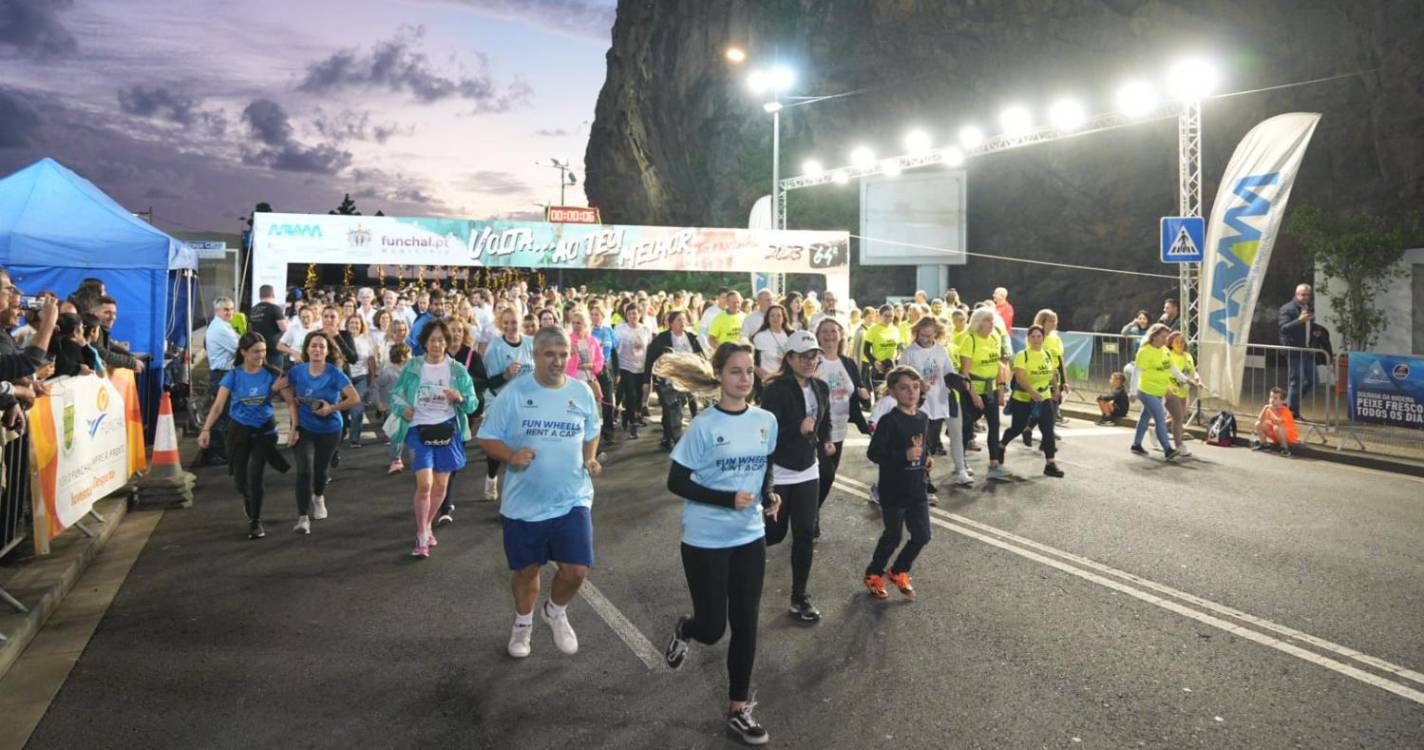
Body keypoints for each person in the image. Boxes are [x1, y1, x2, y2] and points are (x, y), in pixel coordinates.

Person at [656, 343, 780, 746]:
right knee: (712, 629)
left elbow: (765, 467)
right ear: (719, 376)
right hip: (705, 538)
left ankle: (738, 709)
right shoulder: (704, 426)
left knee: (746, 622)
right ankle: (686, 628)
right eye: (735, 371)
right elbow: (676, 481)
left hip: (750, 536)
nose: (744, 378)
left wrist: (769, 493)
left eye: (749, 371)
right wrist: (726, 499)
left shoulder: (765, 421)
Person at [478, 326, 603, 659]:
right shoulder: (515, 393)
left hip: (573, 497)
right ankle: (523, 624)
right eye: (549, 354)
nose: (557, 361)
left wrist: (590, 458)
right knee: (527, 570)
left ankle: (555, 611)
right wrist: (511, 456)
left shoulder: (581, 391)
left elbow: (592, 430)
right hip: (525, 503)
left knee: (577, 570)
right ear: (534, 355)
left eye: (563, 354)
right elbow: (487, 436)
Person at [387, 319, 480, 557]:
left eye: (440, 340)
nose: (436, 345)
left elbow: (472, 404)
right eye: (432, 340)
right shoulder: (412, 366)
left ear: (447, 342)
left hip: (447, 429)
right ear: (424, 343)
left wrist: (459, 398)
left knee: (440, 486)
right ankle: (421, 535)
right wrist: (403, 408)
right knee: (425, 484)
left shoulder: (457, 370)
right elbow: (395, 395)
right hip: (418, 429)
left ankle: (427, 525)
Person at [759, 330, 831, 625]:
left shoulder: (821, 387)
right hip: (780, 470)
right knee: (775, 534)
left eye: (813, 356)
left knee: (804, 533)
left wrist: (825, 439)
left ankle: (799, 596)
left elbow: (823, 420)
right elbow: (767, 432)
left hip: (808, 470)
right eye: (803, 356)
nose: (809, 361)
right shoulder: (775, 390)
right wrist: (797, 429)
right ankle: (735, 558)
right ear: (789, 359)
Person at [196, 332, 293, 539]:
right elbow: (218, 406)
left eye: (264, 351)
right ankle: (248, 499)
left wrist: (296, 427)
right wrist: (206, 429)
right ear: (244, 352)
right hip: (239, 431)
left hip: (264, 431)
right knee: (241, 482)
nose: (261, 355)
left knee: (255, 476)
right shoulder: (233, 375)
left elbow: (291, 402)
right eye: (256, 351)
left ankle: (255, 521)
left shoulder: (273, 374)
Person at [862, 365, 932, 601]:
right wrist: (903, 455)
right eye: (904, 388)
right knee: (893, 536)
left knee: (922, 535)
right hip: (894, 489)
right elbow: (874, 453)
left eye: (915, 387)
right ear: (892, 391)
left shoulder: (922, 418)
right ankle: (873, 574)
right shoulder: (889, 421)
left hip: (917, 487)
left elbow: (922, 445)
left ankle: (899, 570)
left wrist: (926, 458)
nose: (911, 392)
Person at [284, 331, 361, 534]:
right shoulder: (297, 371)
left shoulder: (334, 373)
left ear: (327, 351)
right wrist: (291, 402)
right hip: (304, 428)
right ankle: (303, 518)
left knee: (320, 471)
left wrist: (331, 408)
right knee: (304, 471)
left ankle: (318, 497)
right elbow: (278, 386)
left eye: (321, 346)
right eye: (313, 345)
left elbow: (354, 398)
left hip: (330, 429)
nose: (317, 349)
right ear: (307, 349)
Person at [898, 316, 971, 490]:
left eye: (930, 335)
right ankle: (924, 478)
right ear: (917, 333)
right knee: (923, 442)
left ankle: (956, 470)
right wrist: (917, 384)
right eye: (923, 335)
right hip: (920, 403)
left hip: (941, 402)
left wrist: (960, 382)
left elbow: (949, 373)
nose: (926, 339)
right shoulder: (909, 353)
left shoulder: (941, 350)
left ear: (936, 333)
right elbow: (899, 376)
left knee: (938, 440)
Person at [812, 317, 871, 529]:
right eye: (824, 331)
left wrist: (865, 396)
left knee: (829, 475)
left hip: (840, 426)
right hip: (818, 428)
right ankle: (810, 516)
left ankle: (811, 512)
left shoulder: (848, 363)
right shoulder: (814, 361)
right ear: (818, 337)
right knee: (824, 473)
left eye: (833, 331)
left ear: (840, 336)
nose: (829, 335)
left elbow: (859, 390)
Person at [481, 307, 534, 500]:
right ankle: (491, 477)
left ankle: (520, 487)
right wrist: (506, 374)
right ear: (500, 324)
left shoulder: (530, 343)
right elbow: (489, 383)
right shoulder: (494, 347)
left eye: (514, 322)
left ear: (521, 323)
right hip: (499, 399)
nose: (510, 326)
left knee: (525, 442)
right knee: (498, 443)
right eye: (506, 323)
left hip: (525, 402)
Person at [998, 325, 1064, 478]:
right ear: (1028, 339)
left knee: (1048, 429)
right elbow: (1020, 377)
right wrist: (1031, 392)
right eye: (1032, 336)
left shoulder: (1047, 354)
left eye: (1039, 336)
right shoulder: (1023, 355)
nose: (1036, 339)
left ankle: (1050, 463)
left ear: (1043, 338)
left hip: (1044, 397)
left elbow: (1052, 374)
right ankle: (1001, 446)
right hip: (1023, 399)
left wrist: (1055, 389)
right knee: (1018, 427)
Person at [960, 308, 1010, 481]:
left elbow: (997, 366)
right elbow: (964, 373)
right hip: (972, 390)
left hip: (991, 389)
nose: (992, 323)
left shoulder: (995, 337)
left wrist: (1001, 389)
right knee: (966, 425)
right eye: (988, 319)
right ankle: (960, 462)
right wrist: (974, 395)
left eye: (992, 319)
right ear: (978, 322)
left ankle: (994, 464)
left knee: (994, 425)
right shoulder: (970, 340)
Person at [645, 308, 704, 450]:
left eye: (684, 319)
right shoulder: (662, 339)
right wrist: (647, 381)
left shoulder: (691, 338)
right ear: (671, 323)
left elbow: (701, 357)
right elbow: (650, 360)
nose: (683, 322)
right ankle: (677, 442)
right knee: (673, 411)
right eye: (679, 320)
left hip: (689, 380)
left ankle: (670, 436)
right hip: (668, 382)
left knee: (682, 409)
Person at [199, 297, 240, 467]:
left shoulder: (222, 325)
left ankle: (220, 451)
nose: (230, 312)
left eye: (231, 309)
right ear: (217, 311)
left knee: (223, 414)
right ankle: (214, 453)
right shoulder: (221, 329)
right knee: (220, 415)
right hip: (221, 375)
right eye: (226, 309)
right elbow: (240, 347)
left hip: (222, 373)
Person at [1129, 324, 1178, 461]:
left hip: (1158, 390)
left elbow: (1172, 369)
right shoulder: (1144, 351)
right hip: (1146, 391)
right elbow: (1136, 373)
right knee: (1160, 417)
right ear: (1154, 336)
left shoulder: (1165, 350)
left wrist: (1187, 379)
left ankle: (1136, 444)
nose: (1166, 340)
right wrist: (1133, 391)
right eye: (1163, 337)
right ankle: (1168, 449)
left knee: (1145, 416)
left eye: (1167, 337)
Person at [613, 301, 654, 439]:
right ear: (626, 315)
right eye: (629, 313)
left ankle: (632, 414)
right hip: (625, 366)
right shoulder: (620, 329)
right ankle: (632, 424)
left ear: (640, 314)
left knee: (639, 395)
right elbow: (614, 347)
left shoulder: (645, 329)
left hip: (641, 367)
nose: (632, 316)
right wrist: (616, 370)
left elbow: (649, 348)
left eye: (635, 313)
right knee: (631, 395)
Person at [1278, 283, 1315, 419]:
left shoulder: (1308, 308)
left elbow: (1309, 326)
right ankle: (1293, 413)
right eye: (1303, 295)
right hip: (1293, 350)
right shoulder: (1287, 308)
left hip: (1307, 349)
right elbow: (1283, 328)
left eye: (1308, 295)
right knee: (1296, 381)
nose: (1305, 297)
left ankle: (1288, 404)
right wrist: (1299, 321)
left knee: (1312, 380)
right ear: (1296, 294)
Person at [1164, 331, 1202, 457]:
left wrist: (1197, 379)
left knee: (1180, 416)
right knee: (1178, 418)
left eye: (1182, 342)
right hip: (1171, 390)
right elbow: (1173, 373)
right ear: (1171, 343)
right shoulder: (1169, 355)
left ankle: (1158, 429)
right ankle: (1179, 445)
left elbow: (1192, 371)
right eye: (1177, 342)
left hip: (1184, 390)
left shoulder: (1188, 356)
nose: (1180, 344)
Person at [377, 343, 412, 474]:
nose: (412, 356)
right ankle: (396, 460)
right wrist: (379, 403)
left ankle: (417, 458)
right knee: (397, 435)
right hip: (395, 410)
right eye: (409, 354)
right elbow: (376, 386)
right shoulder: (388, 372)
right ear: (403, 357)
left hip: (410, 407)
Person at [342, 314, 373, 448]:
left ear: (361, 326)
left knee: (357, 409)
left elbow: (371, 360)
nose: (354, 325)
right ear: (347, 325)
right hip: (344, 379)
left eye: (357, 323)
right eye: (352, 323)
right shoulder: (342, 338)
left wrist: (372, 379)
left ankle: (354, 439)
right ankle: (343, 430)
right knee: (342, 410)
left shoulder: (367, 339)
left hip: (361, 377)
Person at [590, 303, 618, 444]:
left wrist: (617, 372)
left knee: (608, 402)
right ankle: (592, 432)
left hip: (605, 369)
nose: (594, 317)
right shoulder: (588, 331)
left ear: (602, 316)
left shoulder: (608, 330)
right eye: (592, 314)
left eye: (597, 314)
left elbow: (614, 350)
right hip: (591, 370)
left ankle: (608, 432)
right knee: (593, 402)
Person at [248, 285, 288, 369]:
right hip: (273, 349)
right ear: (273, 294)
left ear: (260, 295)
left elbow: (250, 328)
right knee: (275, 373)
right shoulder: (275, 308)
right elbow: (284, 328)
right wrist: (286, 319)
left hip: (257, 347)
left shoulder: (253, 309)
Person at [1252, 386, 1297, 456]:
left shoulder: (1285, 411)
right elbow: (1260, 419)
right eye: (1271, 397)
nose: (1272, 400)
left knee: (1277, 427)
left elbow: (1277, 422)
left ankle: (1285, 448)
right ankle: (1264, 444)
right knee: (1258, 424)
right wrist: (1265, 408)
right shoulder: (1268, 409)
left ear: (1282, 401)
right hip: (1276, 435)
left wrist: (1272, 411)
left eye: (1275, 398)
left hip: (1288, 437)